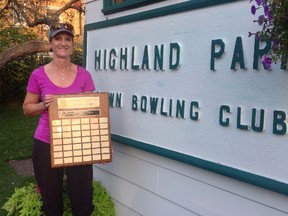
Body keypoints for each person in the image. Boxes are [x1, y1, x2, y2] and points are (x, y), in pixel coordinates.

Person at [23, 23, 95, 216]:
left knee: (83, 200)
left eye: (67, 39)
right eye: (58, 38)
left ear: (72, 44)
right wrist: (42, 105)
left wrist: (100, 144)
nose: (63, 43)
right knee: (51, 202)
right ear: (51, 43)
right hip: (47, 142)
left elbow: (93, 113)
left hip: (78, 143)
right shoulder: (38, 74)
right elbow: (27, 108)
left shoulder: (84, 75)